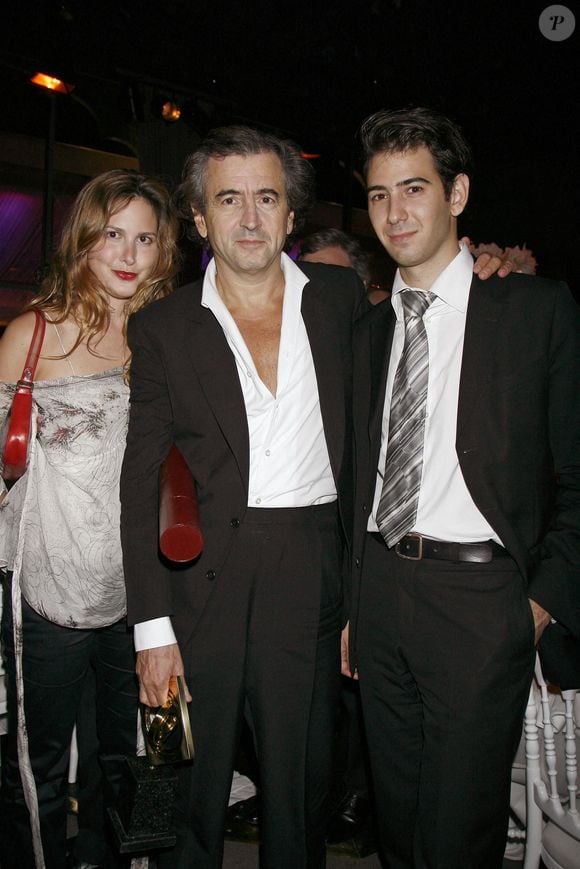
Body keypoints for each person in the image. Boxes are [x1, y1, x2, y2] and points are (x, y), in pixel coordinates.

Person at [119, 125, 365, 868]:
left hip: (311, 570)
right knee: (184, 784)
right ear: (200, 218)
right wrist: (151, 630)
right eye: (230, 199)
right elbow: (140, 479)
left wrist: (485, 273)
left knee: (299, 793)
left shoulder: (344, 299)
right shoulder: (162, 327)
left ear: (292, 214)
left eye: (267, 197)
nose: (250, 218)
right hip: (200, 586)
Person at [344, 106, 580, 868]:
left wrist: (538, 602)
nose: (395, 211)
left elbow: (575, 472)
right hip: (381, 592)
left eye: (414, 188)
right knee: (400, 830)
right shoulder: (369, 330)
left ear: (459, 194)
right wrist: (355, 603)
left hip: (483, 603)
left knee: (458, 835)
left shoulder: (533, 309)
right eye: (379, 194)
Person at [0, 169, 179, 869]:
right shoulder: (31, 337)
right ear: (83, 240)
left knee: (136, 758)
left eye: (145, 238)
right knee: (36, 768)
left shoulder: (168, 339)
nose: (129, 254)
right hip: (48, 594)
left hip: (146, 601)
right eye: (113, 235)